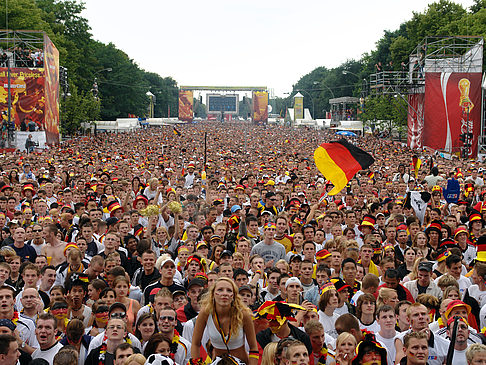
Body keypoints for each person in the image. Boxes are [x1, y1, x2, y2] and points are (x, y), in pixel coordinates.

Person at [192, 277, 258, 365]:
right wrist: (196, 363)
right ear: (213, 294)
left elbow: (253, 348)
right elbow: (195, 344)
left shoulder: (244, 314)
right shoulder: (205, 313)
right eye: (220, 290)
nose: (225, 293)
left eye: (229, 290)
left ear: (234, 295)